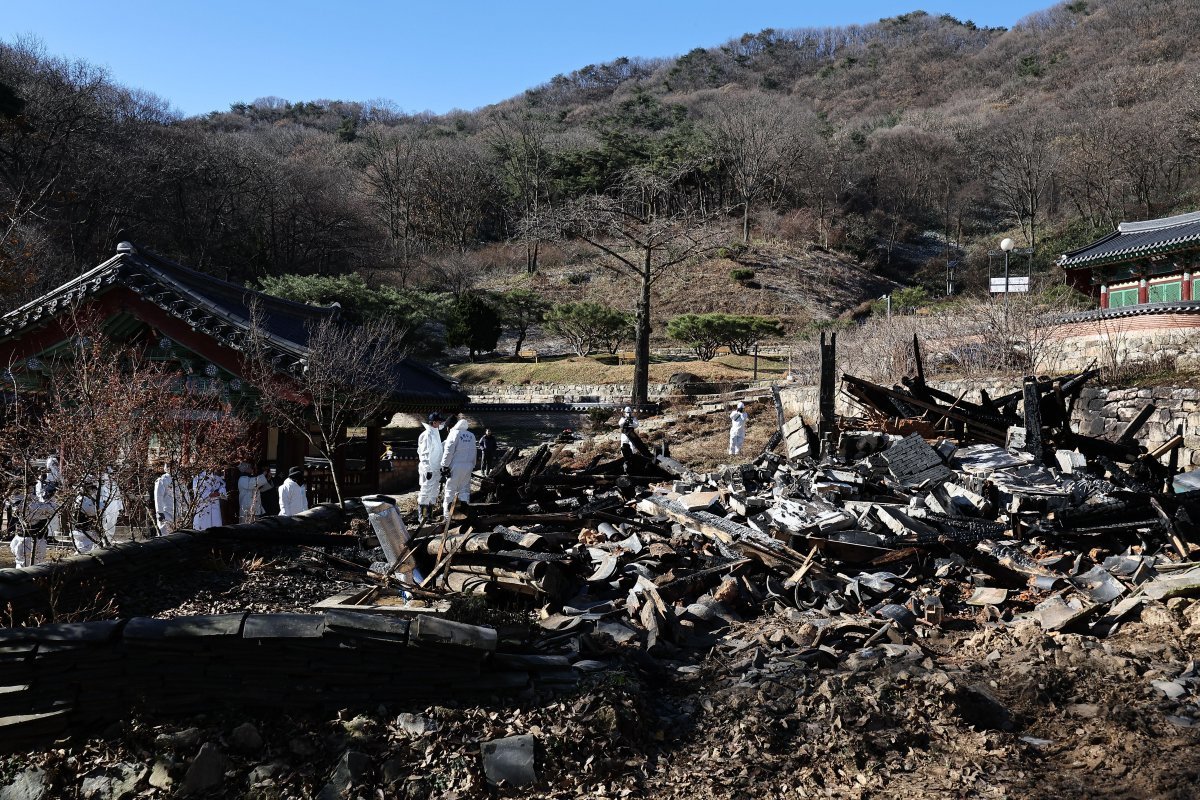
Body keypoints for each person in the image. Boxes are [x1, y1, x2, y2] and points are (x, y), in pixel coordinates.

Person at [440, 416, 477, 519]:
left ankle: (448, 516)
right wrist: (473, 465)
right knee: (464, 490)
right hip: (468, 465)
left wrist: (444, 465)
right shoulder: (471, 435)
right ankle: (463, 514)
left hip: (455, 466)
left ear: (450, 426)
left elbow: (448, 451)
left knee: (450, 490)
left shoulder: (453, 434)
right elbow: (474, 451)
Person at [416, 413, 445, 525]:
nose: (440, 424)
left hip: (436, 468)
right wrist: (427, 468)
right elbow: (424, 453)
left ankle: (429, 516)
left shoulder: (435, 433)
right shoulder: (427, 434)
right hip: (428, 469)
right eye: (438, 422)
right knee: (425, 491)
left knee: (433, 492)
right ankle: (422, 517)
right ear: (434, 423)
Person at [153, 460, 186, 535]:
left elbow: (185, 495)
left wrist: (186, 509)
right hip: (166, 514)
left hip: (179, 513)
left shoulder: (180, 480)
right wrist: (159, 512)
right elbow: (158, 497)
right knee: (165, 536)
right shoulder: (162, 480)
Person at [99, 468, 123, 543]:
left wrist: (120, 507)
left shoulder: (114, 484)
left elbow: (118, 496)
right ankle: (104, 540)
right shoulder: (101, 486)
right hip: (104, 507)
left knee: (112, 523)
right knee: (104, 524)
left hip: (113, 507)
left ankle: (109, 539)